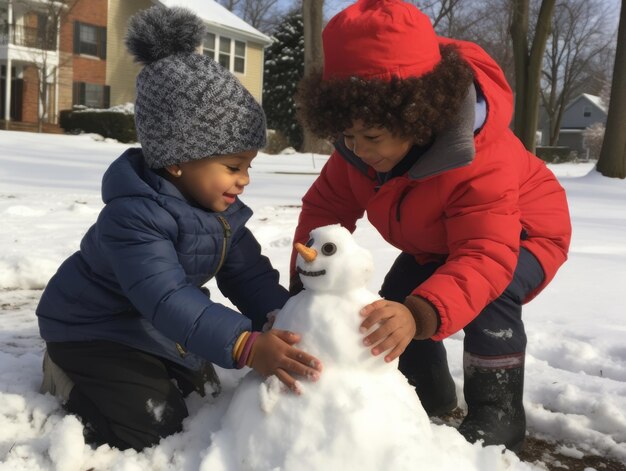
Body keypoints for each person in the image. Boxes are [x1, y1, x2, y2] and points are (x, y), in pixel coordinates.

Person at [36, 6, 321, 451]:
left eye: (248, 166)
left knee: (203, 395)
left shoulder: (218, 208)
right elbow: (166, 297)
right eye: (232, 166)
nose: (244, 179)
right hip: (92, 330)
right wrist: (245, 345)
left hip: (147, 326)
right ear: (176, 160)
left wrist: (280, 317)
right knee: (156, 427)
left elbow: (246, 273)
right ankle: (64, 375)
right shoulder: (132, 218)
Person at [291, 0, 571, 452]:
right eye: (346, 135)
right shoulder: (357, 152)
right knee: (394, 303)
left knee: (486, 297)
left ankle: (496, 417)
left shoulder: (479, 160)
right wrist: (302, 287)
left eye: (372, 138)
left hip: (521, 235)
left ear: (418, 120)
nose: (357, 150)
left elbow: (486, 254)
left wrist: (422, 315)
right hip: (439, 242)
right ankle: (428, 391)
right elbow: (323, 210)